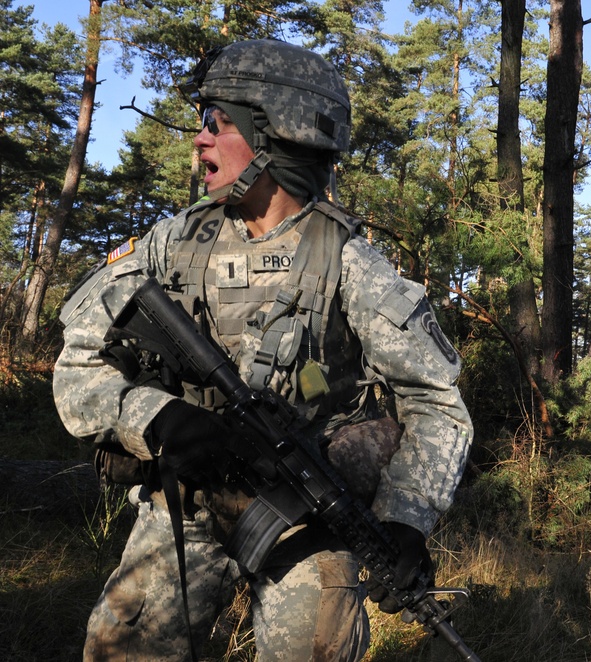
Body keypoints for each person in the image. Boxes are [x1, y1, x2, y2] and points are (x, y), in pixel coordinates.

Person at [52, 39, 473, 661]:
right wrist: (157, 417)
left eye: (217, 124)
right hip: (189, 499)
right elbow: (79, 360)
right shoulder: (171, 245)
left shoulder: (349, 264)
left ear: (277, 138)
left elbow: (435, 402)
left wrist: (406, 519)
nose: (199, 139)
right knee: (119, 650)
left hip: (303, 512)